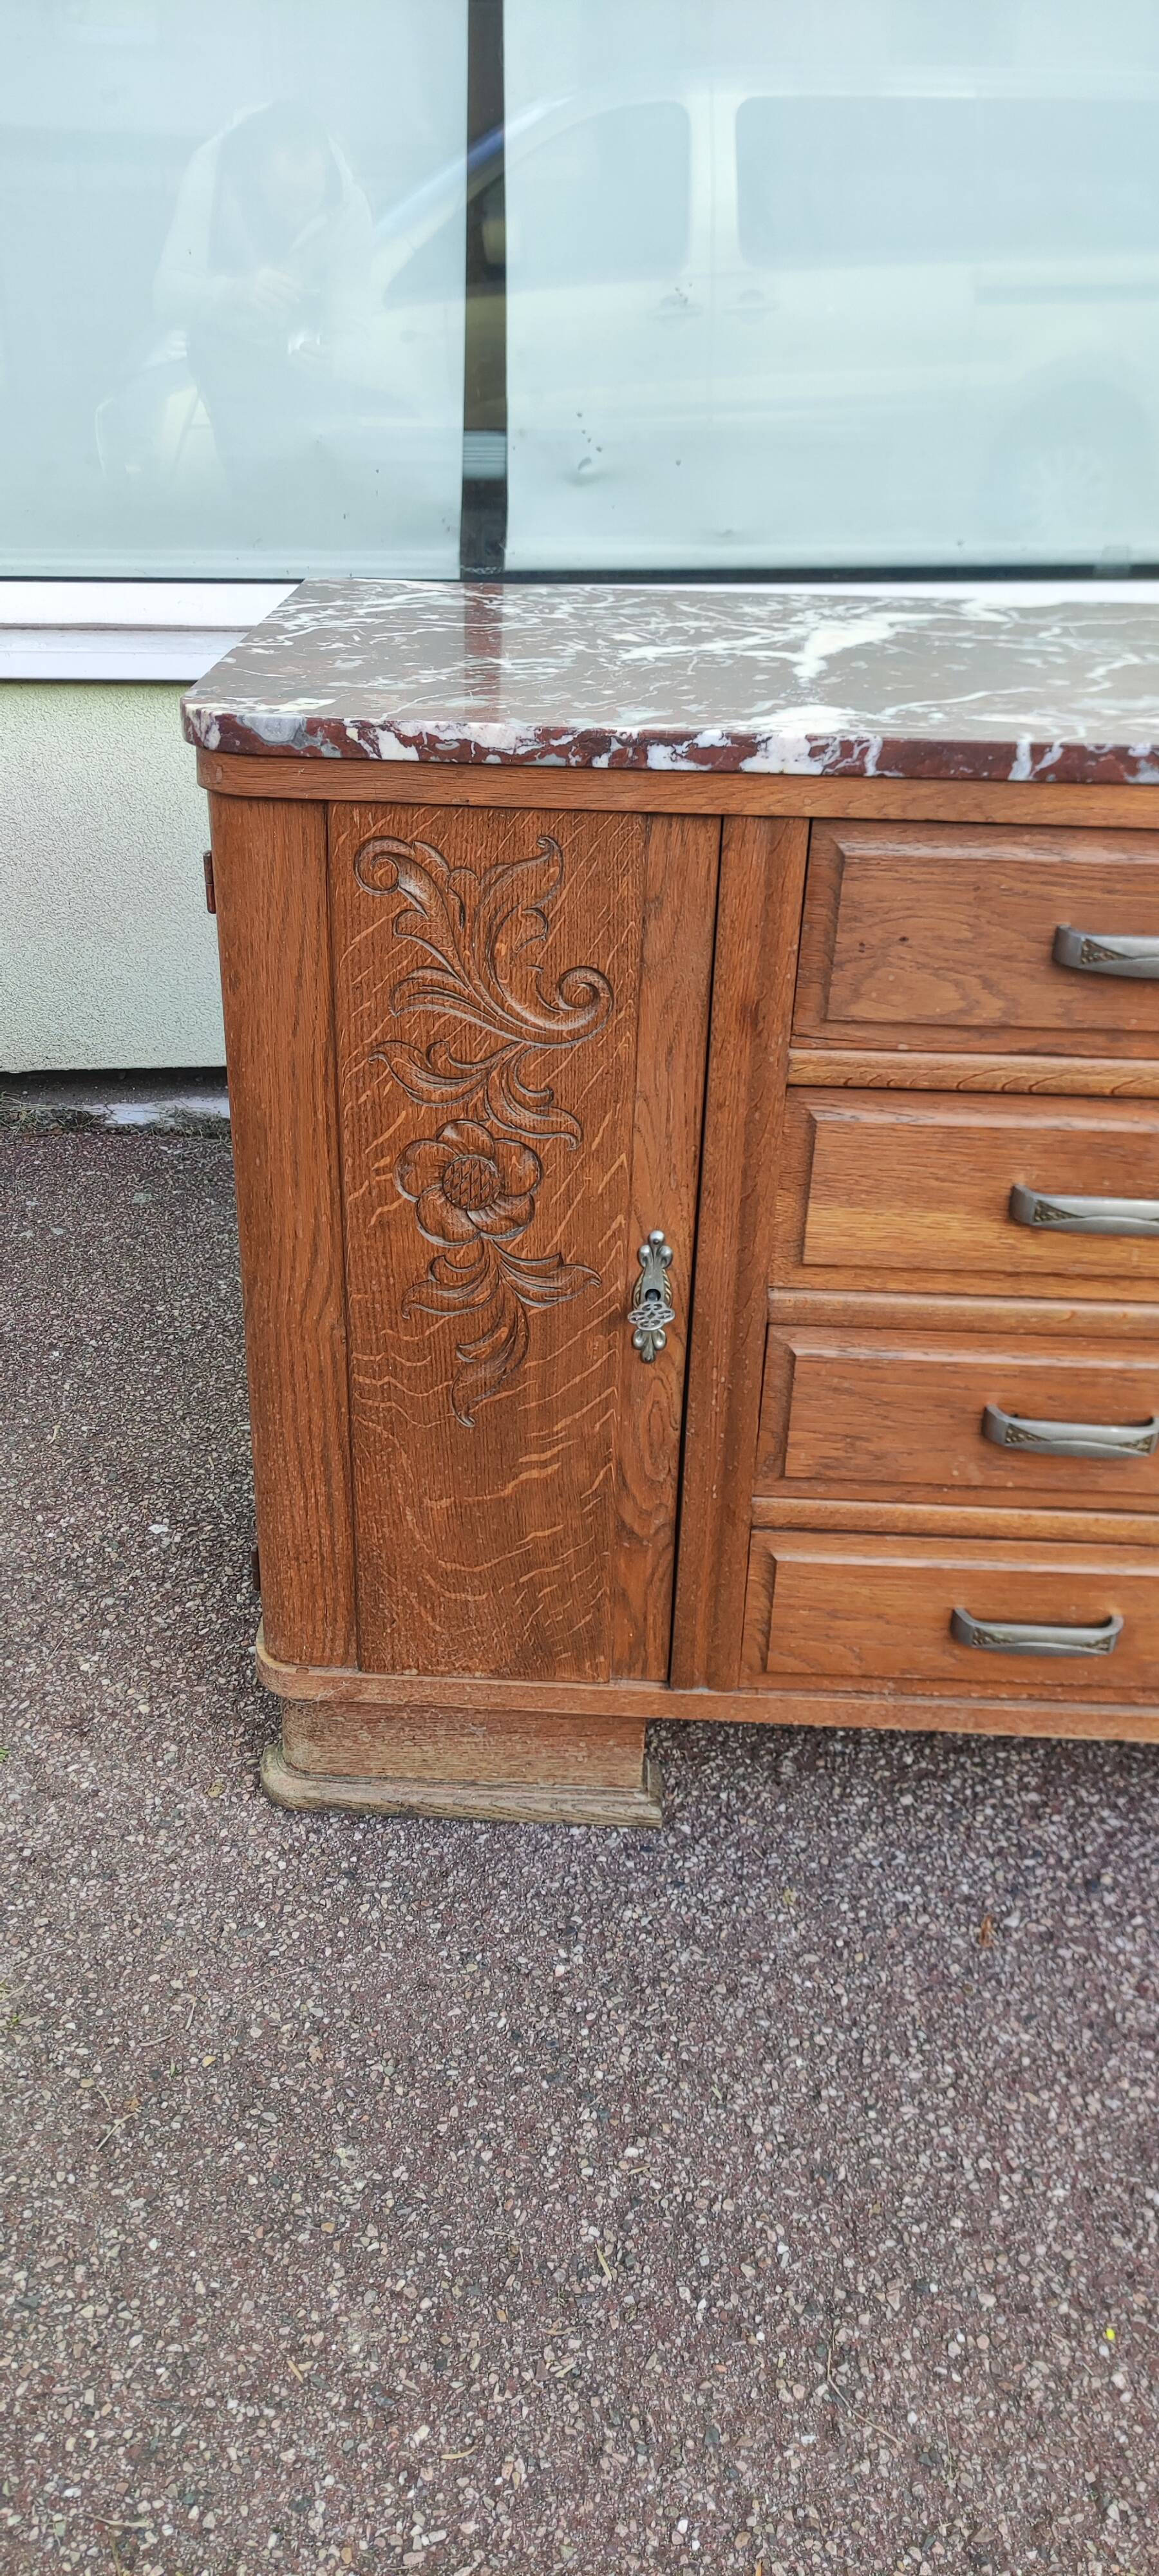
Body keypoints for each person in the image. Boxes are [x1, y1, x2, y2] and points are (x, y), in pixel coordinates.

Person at [155, 102, 373, 524]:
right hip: (224, 346)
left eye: (309, 198)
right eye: (288, 198)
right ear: (254, 175)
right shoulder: (211, 176)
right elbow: (166, 296)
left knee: (341, 489)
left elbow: (354, 319)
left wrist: (339, 354)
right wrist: (238, 292)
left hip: (304, 360)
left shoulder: (350, 205)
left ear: (326, 169)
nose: (300, 213)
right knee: (254, 493)